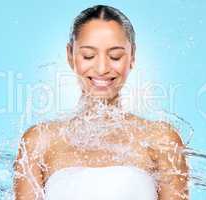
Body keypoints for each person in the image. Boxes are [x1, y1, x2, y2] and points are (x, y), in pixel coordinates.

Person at [13, 4, 189, 200]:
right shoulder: (39, 141)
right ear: (70, 55)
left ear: (132, 56)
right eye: (89, 55)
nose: (102, 68)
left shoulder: (161, 140)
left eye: (115, 56)